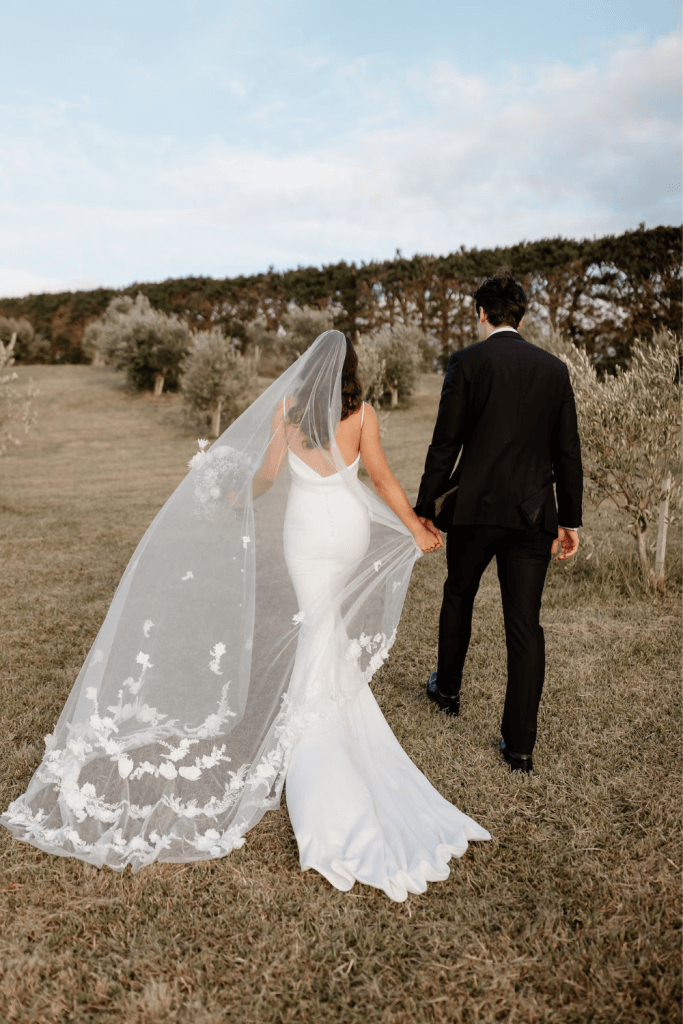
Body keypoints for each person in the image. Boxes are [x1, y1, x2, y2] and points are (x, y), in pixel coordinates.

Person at [1, 330, 489, 902]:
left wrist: (236, 500)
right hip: (350, 531)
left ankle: (317, 743)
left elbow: (266, 475)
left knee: (318, 625)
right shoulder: (363, 415)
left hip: (306, 537)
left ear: (309, 368)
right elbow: (380, 479)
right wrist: (414, 526)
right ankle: (334, 719)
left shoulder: (288, 409)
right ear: (352, 370)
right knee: (324, 628)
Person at [414, 266, 583, 773]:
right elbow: (568, 453)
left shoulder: (466, 362)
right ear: (523, 317)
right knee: (525, 625)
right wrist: (569, 519)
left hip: (474, 510)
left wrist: (425, 509)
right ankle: (520, 747)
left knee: (458, 594)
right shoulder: (554, 369)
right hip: (534, 516)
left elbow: (445, 443)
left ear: (481, 314)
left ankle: (446, 690)